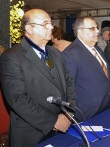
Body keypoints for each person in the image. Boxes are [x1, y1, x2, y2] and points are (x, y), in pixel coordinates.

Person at [0, 9, 76, 146]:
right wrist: (53, 121)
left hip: (63, 127)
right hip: (33, 133)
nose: (51, 27)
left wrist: (69, 113)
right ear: (29, 28)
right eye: (45, 24)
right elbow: (18, 99)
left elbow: (69, 83)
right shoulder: (11, 57)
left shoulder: (55, 52)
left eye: (51, 23)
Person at [62, 16, 110, 120]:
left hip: (106, 106)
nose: (97, 31)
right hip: (88, 112)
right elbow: (68, 88)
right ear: (80, 32)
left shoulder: (97, 49)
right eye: (92, 28)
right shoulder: (71, 54)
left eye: (97, 28)